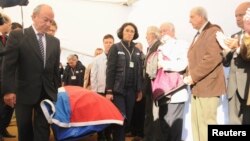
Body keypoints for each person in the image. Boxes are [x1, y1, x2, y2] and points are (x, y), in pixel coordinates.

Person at [2, 4, 61, 141]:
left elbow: (55, 70)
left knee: (43, 129)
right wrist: (8, 91)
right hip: (23, 91)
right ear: (34, 17)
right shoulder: (18, 35)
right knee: (24, 128)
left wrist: (56, 91)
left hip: (46, 92)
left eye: (51, 21)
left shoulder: (54, 42)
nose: (48, 24)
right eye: (45, 19)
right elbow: (8, 66)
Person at [183, 6, 226, 141]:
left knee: (207, 124)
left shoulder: (213, 31)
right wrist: (187, 74)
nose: (189, 21)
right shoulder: (199, 34)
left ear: (201, 17)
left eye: (192, 17)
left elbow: (212, 58)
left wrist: (193, 76)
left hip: (208, 86)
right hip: (198, 87)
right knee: (197, 124)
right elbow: (193, 58)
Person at [105, 22, 143, 141]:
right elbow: (110, 70)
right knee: (121, 118)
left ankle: (117, 137)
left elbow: (139, 71)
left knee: (128, 119)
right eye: (127, 30)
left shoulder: (137, 51)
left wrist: (139, 90)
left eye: (132, 31)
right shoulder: (115, 47)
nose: (129, 33)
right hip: (118, 91)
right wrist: (109, 90)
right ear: (122, 32)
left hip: (132, 91)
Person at [154, 22, 189, 141]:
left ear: (173, 31)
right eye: (161, 31)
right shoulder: (160, 47)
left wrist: (163, 64)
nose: (163, 33)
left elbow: (182, 65)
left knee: (174, 129)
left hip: (176, 92)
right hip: (162, 92)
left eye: (166, 30)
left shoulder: (182, 44)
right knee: (164, 127)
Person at [222, 3, 250, 124]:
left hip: (247, 86)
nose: (238, 18)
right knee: (234, 122)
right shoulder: (234, 36)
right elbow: (226, 64)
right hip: (233, 86)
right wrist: (226, 51)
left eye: (241, 15)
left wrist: (239, 47)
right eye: (235, 15)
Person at [91, 34, 114, 141]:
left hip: (113, 92)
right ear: (103, 43)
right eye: (106, 42)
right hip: (100, 91)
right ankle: (100, 135)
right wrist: (94, 92)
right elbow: (93, 76)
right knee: (100, 114)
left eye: (110, 42)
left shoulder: (117, 57)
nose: (108, 44)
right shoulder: (97, 59)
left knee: (110, 115)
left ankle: (109, 134)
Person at [143, 26, 162, 141]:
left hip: (155, 85)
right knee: (149, 114)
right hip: (149, 86)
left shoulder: (159, 46)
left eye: (147, 34)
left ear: (153, 34)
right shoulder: (149, 48)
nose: (145, 37)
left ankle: (152, 138)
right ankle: (148, 137)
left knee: (154, 115)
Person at [0, 13, 15, 141]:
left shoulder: (7, 39)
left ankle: (3, 128)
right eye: (9, 24)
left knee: (7, 107)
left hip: (7, 79)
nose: (10, 27)